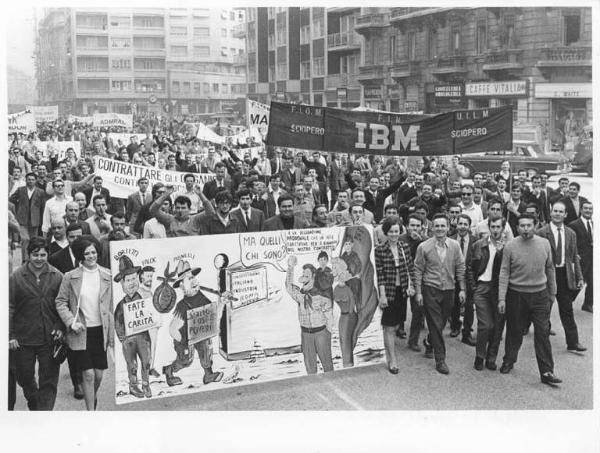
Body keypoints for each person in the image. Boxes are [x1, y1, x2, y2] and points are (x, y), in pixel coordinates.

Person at [498, 213, 561, 385]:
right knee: (515, 331)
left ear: (535, 225)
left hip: (540, 295)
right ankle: (509, 360)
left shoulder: (545, 244)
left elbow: (550, 269)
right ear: (517, 227)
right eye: (522, 226)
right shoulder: (510, 246)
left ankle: (547, 371)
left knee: (542, 333)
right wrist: (501, 298)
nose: (526, 229)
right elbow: (504, 272)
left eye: (529, 225)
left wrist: (552, 292)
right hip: (516, 295)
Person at [55, 237, 115, 410]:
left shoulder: (107, 275)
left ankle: (92, 396)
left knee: (98, 375)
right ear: (80, 256)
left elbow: (113, 304)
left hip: (100, 331)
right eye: (87, 253)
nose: (91, 256)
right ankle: (90, 412)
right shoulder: (70, 276)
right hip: (80, 332)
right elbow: (60, 302)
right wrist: (70, 322)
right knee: (87, 375)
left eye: (94, 252)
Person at [9, 237, 64, 410]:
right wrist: (10, 335)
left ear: (48, 254)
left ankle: (43, 415)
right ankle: (35, 401)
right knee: (24, 376)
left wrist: (60, 327)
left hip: (49, 337)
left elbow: (64, 305)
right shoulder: (16, 277)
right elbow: (9, 307)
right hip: (23, 337)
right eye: (35, 255)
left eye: (43, 254)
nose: (39, 258)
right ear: (28, 254)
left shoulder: (57, 276)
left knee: (48, 381)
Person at [414, 214, 466, 375]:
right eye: (436, 226)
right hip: (431, 289)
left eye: (443, 226)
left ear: (448, 228)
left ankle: (430, 341)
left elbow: (460, 268)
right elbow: (418, 270)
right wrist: (418, 292)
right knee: (436, 323)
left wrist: (462, 289)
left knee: (441, 322)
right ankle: (440, 359)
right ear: (432, 228)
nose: (440, 229)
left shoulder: (455, 246)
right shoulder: (424, 247)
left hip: (449, 290)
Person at [162, 260, 224, 386]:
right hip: (184, 339)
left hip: (199, 334)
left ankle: (208, 374)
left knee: (206, 346)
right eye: (189, 279)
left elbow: (213, 316)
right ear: (182, 286)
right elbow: (172, 329)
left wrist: (222, 302)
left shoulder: (202, 299)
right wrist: (184, 341)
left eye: (193, 277)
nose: (194, 281)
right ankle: (169, 370)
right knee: (186, 360)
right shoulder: (182, 306)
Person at [536, 201, 586, 353]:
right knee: (544, 307)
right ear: (551, 213)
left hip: (564, 274)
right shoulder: (541, 233)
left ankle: (573, 342)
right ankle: (540, 337)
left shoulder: (570, 233)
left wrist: (579, 277)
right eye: (555, 211)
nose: (557, 214)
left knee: (566, 309)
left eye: (560, 212)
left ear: (565, 215)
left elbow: (574, 257)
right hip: (546, 275)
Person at [375, 216, 415, 374]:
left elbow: (410, 269)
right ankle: (392, 359)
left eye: (396, 231)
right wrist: (383, 296)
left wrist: (411, 287)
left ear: (400, 231)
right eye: (390, 231)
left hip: (402, 291)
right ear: (386, 232)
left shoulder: (404, 247)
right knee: (389, 327)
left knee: (397, 324)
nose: (393, 234)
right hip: (389, 291)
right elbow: (380, 275)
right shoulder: (380, 250)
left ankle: (389, 351)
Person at [285, 255, 334, 375]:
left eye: (307, 275)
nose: (304, 277)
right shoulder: (300, 295)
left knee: (328, 366)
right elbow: (288, 286)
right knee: (310, 370)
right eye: (303, 275)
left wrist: (328, 331)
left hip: (321, 333)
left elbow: (329, 312)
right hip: (306, 334)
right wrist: (290, 267)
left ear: (313, 276)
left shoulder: (320, 294)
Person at [470, 216, 506, 371]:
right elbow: (470, 268)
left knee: (497, 326)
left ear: (503, 229)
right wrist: (473, 287)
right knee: (485, 325)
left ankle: (491, 358)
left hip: (499, 290)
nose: (495, 230)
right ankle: (480, 356)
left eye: (498, 227)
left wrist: (501, 253)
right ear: (489, 227)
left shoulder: (508, 247)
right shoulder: (479, 244)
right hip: (482, 288)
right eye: (493, 226)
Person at [113, 256, 152, 398]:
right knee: (132, 364)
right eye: (128, 280)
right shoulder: (121, 305)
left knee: (146, 361)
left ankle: (146, 384)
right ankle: (133, 385)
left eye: (134, 279)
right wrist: (123, 338)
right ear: (122, 283)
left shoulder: (144, 299)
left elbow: (151, 315)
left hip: (143, 336)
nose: (132, 283)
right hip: (128, 339)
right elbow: (117, 322)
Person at [399, 214, 426, 351]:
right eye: (412, 225)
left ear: (422, 227)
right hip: (402, 278)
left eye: (417, 226)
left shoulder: (426, 241)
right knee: (399, 308)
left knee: (418, 310)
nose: (415, 228)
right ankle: (399, 327)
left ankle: (413, 340)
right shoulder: (400, 239)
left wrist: (421, 242)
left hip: (417, 279)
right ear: (407, 227)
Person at [448, 214, 476, 346]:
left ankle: (467, 332)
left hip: (469, 278)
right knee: (454, 303)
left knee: (469, 305)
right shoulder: (450, 239)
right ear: (456, 225)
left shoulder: (475, 241)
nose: (462, 227)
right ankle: (455, 326)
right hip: (453, 277)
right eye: (460, 224)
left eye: (465, 224)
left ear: (469, 227)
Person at [569, 201, 593, 312]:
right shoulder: (574, 224)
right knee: (579, 282)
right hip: (581, 259)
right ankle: (568, 301)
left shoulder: (594, 224)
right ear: (581, 210)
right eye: (586, 208)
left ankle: (588, 304)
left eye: (590, 209)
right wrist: (575, 255)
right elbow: (570, 243)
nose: (588, 210)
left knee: (593, 283)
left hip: (593, 259)